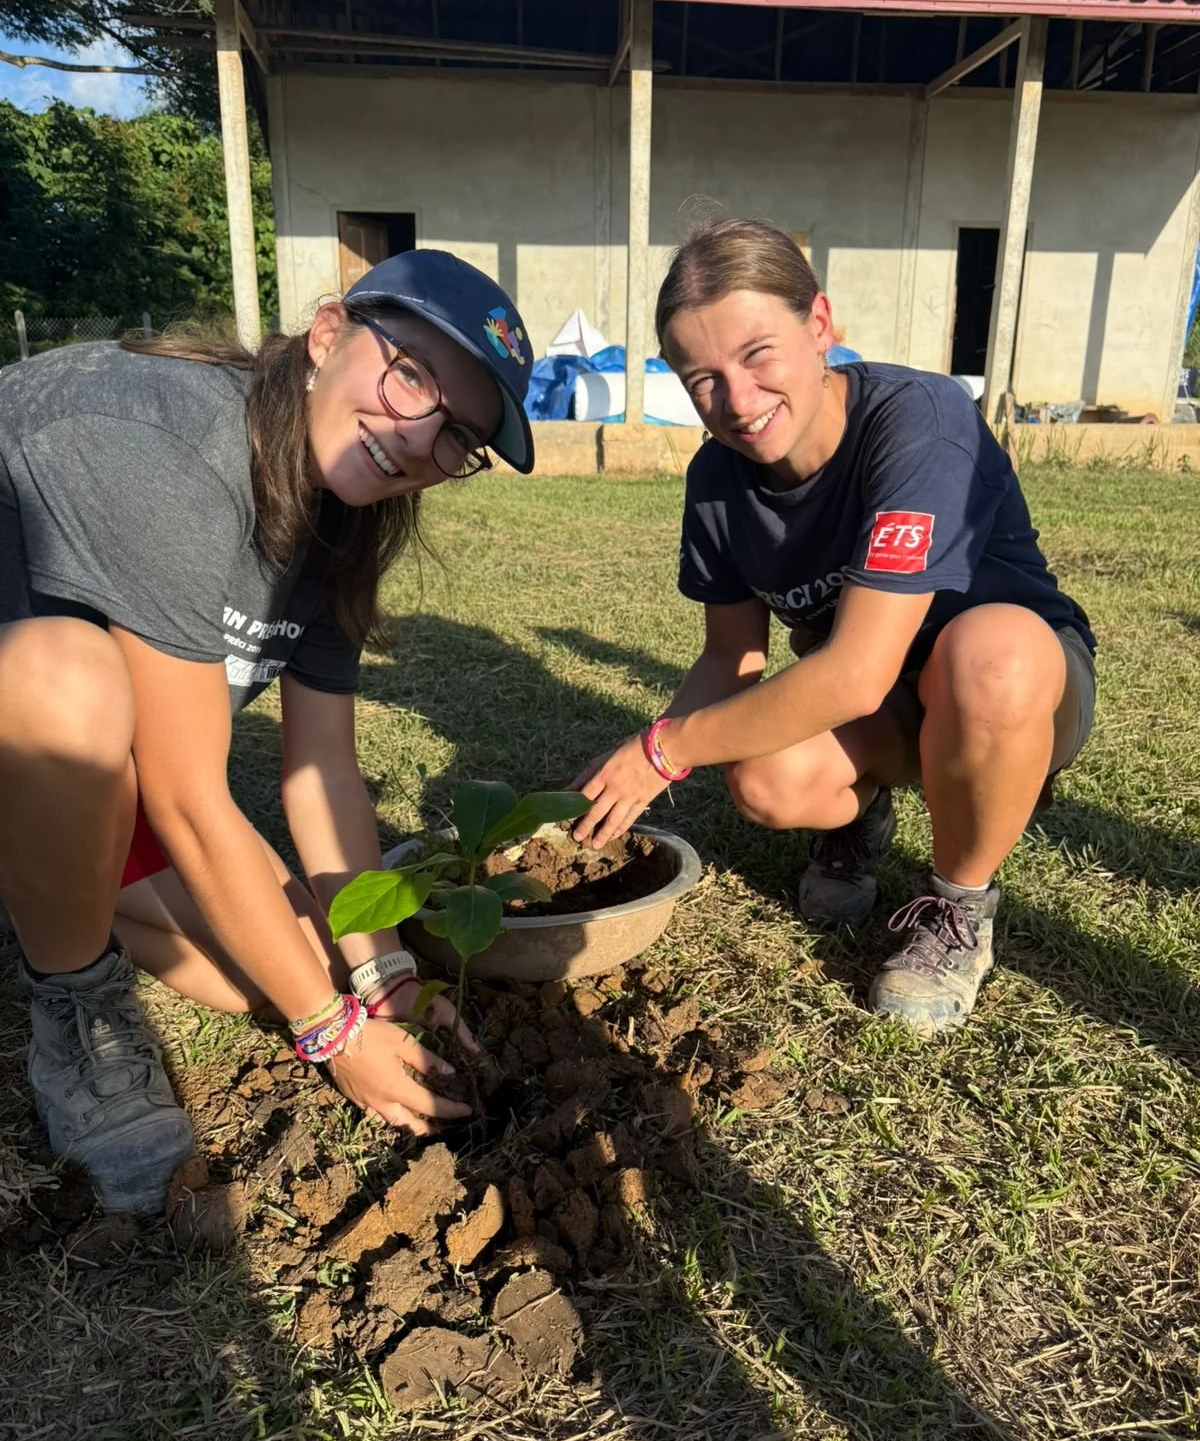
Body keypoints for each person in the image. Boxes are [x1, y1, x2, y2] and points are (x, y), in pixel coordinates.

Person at [0, 249, 535, 1213]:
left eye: (459, 436)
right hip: (43, 719)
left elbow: (322, 772)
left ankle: (39, 871)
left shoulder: (337, 519)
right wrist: (334, 1035)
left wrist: (385, 976)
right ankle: (75, 1002)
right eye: (410, 375)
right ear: (329, 333)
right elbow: (189, 797)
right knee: (64, 682)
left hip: (77, 773)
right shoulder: (159, 449)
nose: (419, 438)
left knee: (283, 962)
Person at [572, 219, 1095, 1038]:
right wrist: (636, 762)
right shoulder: (717, 480)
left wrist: (663, 753)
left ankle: (958, 906)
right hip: (884, 709)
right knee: (761, 777)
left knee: (988, 654)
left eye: (758, 354)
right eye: (700, 377)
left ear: (820, 326)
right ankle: (860, 818)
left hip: (1019, 689)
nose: (737, 402)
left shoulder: (919, 421)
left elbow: (852, 670)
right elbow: (728, 658)